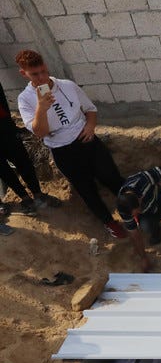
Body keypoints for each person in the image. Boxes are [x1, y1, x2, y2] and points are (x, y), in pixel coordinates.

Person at [15, 49, 126, 238]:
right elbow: (40, 132)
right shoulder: (25, 99)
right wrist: (41, 108)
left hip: (87, 140)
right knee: (86, 189)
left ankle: (135, 210)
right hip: (62, 149)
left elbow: (90, 109)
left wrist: (90, 126)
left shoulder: (67, 85)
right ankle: (109, 222)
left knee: (112, 177)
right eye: (35, 74)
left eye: (43, 71)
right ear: (23, 73)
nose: (42, 77)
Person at [1, 81, 60, 217]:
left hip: (4, 127)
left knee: (22, 160)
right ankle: (25, 199)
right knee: (3, 169)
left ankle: (38, 194)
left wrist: (9, 124)